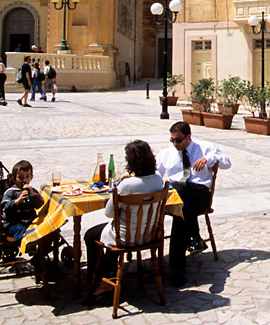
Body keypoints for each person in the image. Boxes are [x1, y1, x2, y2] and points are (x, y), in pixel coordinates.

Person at [84, 140, 165, 298]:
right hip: (149, 234)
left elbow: (109, 213)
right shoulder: (157, 180)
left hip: (126, 237)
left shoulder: (126, 185)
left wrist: (121, 184)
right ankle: (108, 274)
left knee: (91, 235)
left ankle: (100, 280)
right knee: (115, 232)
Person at [156, 121, 231, 287]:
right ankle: (195, 238)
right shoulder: (167, 154)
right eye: (172, 140)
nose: (175, 144)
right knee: (178, 198)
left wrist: (209, 158)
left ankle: (177, 267)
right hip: (177, 194)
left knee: (180, 211)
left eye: (179, 140)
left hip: (199, 192)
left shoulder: (204, 148)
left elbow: (226, 162)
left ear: (188, 137)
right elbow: (155, 174)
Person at [1, 160, 43, 244]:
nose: (24, 180)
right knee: (20, 229)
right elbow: (5, 207)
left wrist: (33, 195)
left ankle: (39, 248)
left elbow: (39, 204)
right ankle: (25, 244)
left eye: (27, 176)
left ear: (31, 177)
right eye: (20, 177)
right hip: (12, 222)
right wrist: (17, 201)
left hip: (28, 220)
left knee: (42, 227)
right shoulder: (11, 192)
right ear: (14, 179)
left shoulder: (32, 191)